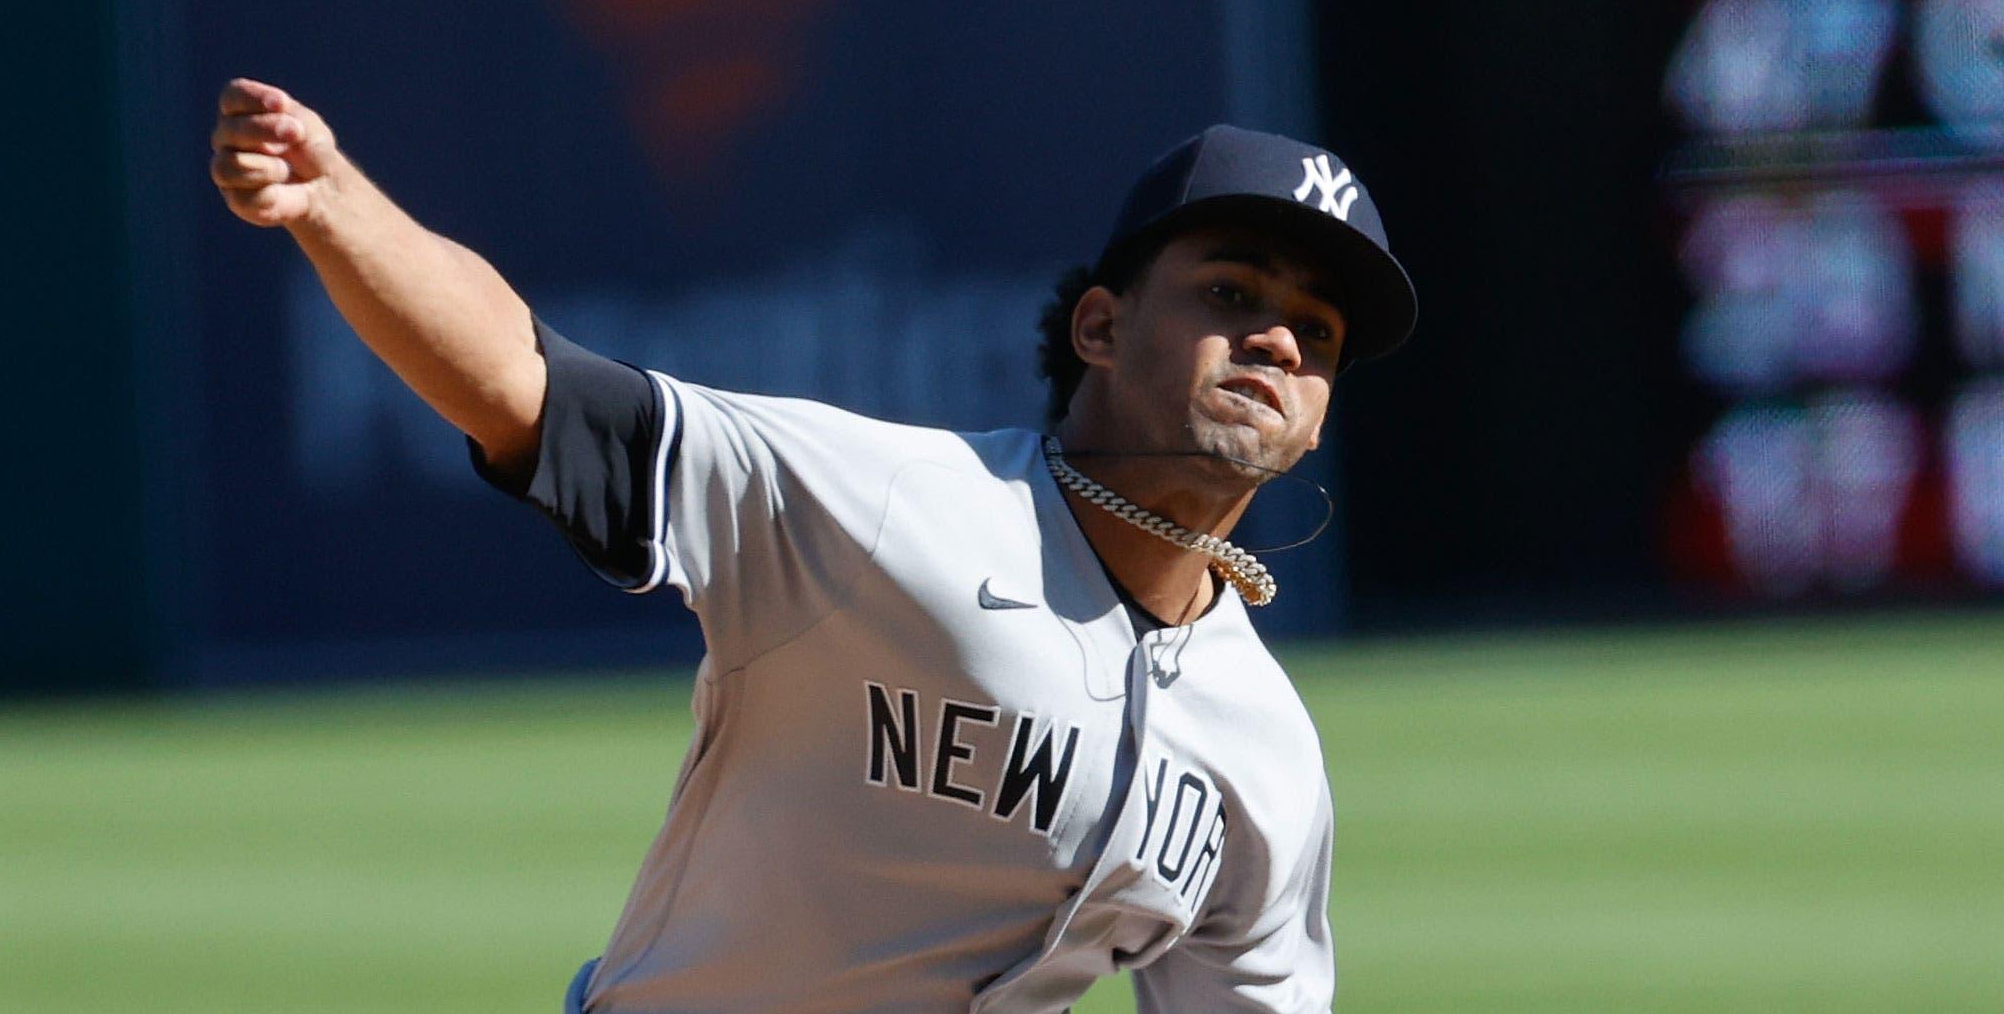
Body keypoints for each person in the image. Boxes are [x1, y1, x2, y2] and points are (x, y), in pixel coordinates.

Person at [207, 77, 1417, 1013]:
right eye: (1229, 293)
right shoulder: (888, 504)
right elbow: (531, 384)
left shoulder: (1265, 751)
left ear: (1317, 420)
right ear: (1099, 325)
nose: (1274, 342)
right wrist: (335, 205)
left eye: (1313, 331)